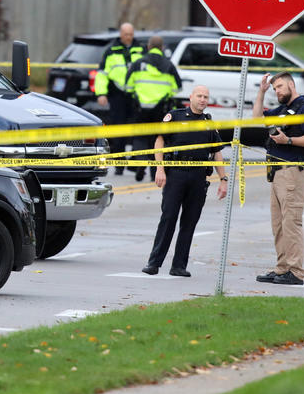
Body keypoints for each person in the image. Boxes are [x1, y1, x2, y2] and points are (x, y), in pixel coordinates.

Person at [142, 85, 229, 277]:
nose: (202, 99)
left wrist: (223, 179)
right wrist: (160, 168)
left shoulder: (208, 123)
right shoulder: (175, 116)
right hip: (176, 175)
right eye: (199, 96)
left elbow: (216, 152)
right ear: (191, 97)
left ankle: (179, 266)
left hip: (198, 177)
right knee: (168, 218)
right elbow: (160, 141)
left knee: (189, 222)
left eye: (206, 96)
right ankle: (154, 263)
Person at [252, 72, 304, 285]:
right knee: (279, 225)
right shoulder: (282, 110)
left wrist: (287, 140)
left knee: (291, 223)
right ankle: (282, 268)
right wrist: (261, 93)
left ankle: (296, 272)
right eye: (275, 88)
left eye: (280, 86)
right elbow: (256, 119)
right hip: (277, 173)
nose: (278, 91)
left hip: (292, 171)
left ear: (291, 84)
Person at [125, 35, 181, 182]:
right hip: (161, 108)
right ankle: (153, 171)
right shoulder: (169, 65)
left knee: (140, 138)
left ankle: (140, 165)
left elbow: (128, 86)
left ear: (148, 47)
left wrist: (139, 95)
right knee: (158, 139)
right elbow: (177, 88)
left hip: (140, 108)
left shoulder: (138, 63)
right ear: (162, 48)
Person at [95, 23, 144, 175]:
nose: (128, 37)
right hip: (118, 95)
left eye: (130, 34)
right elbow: (102, 74)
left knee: (139, 130)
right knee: (119, 130)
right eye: (125, 34)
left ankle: (136, 163)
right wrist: (101, 93)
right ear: (121, 34)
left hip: (137, 95)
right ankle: (119, 164)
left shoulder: (141, 49)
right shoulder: (111, 51)